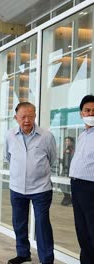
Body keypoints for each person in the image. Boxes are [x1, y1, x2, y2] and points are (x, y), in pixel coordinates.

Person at [4, 102, 57, 264]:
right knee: (19, 223)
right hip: (17, 188)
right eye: (23, 117)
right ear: (16, 118)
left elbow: (52, 158)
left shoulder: (46, 136)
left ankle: (46, 259)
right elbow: (8, 157)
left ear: (35, 116)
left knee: (42, 226)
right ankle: (23, 253)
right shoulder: (10, 135)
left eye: (31, 116)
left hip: (41, 188)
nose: (27, 120)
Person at [69, 95, 94, 264]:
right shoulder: (83, 134)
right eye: (87, 110)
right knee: (81, 229)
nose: (91, 113)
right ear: (81, 113)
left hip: (91, 187)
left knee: (92, 229)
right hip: (77, 186)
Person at [60, 136, 75, 206]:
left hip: (70, 170)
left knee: (68, 185)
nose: (67, 142)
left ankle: (69, 198)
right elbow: (65, 160)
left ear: (72, 142)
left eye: (68, 141)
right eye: (66, 141)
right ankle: (67, 197)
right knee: (61, 184)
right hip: (64, 170)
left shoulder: (73, 151)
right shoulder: (65, 150)